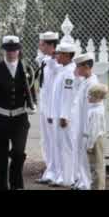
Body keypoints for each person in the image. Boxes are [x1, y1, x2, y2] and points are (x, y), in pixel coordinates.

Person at [0, 36, 37, 190]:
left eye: (14, 50)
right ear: (4, 50)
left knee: (19, 153)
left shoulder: (26, 69)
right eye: (8, 49)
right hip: (0, 118)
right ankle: (1, 186)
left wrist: (32, 104)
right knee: (0, 157)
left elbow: (31, 90)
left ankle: (16, 184)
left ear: (19, 50)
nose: (11, 53)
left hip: (20, 119)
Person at [49, 42, 77, 188]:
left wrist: (64, 116)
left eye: (59, 54)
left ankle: (68, 177)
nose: (56, 56)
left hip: (63, 117)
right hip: (57, 115)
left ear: (66, 55)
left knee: (66, 147)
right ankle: (62, 175)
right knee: (60, 146)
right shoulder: (63, 69)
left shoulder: (69, 73)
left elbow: (67, 96)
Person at [71, 53, 99, 190]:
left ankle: (86, 183)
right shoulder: (84, 82)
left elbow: (91, 110)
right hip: (79, 125)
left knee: (86, 158)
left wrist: (87, 131)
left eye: (78, 66)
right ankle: (82, 181)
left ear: (86, 66)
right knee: (80, 155)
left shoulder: (92, 84)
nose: (76, 69)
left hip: (85, 127)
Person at [35, 32, 60, 185]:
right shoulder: (45, 60)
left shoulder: (57, 62)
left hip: (54, 108)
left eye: (42, 43)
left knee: (54, 140)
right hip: (44, 105)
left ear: (51, 45)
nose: (40, 46)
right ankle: (50, 170)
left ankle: (57, 171)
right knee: (46, 140)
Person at [84, 83, 108, 190]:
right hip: (96, 139)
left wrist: (89, 145)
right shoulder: (96, 108)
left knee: (97, 166)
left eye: (91, 95)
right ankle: (96, 186)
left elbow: (94, 131)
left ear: (98, 97)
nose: (88, 97)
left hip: (95, 140)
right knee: (95, 165)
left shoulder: (95, 112)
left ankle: (98, 187)